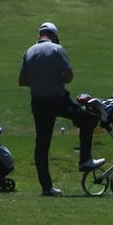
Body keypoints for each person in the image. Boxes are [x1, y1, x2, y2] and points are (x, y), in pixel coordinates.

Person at [17, 22, 105, 196]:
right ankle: (85, 159)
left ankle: (46, 187)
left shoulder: (29, 51)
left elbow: (22, 81)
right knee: (88, 118)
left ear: (40, 35)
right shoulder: (57, 49)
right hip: (57, 99)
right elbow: (69, 76)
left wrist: (39, 80)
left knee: (42, 144)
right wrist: (55, 78)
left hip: (38, 102)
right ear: (54, 35)